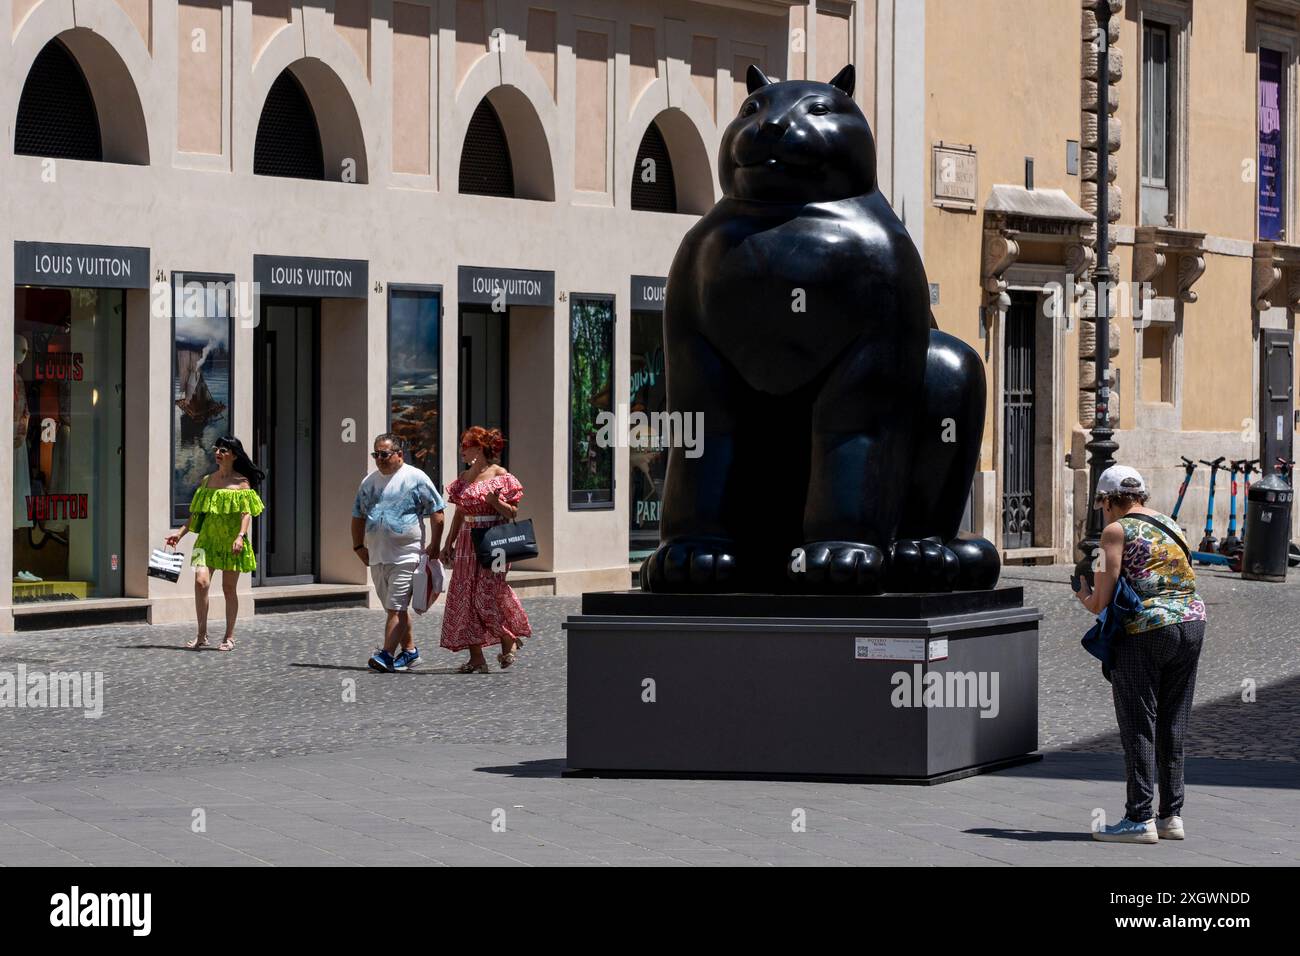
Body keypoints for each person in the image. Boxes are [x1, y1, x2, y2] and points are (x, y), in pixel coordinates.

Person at [1074, 464, 1207, 844]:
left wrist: (1081, 592)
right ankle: (1171, 816)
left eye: (1101, 502)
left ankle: (1138, 818)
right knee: (1173, 720)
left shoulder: (1113, 532)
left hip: (1147, 631)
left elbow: (1101, 602)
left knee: (1138, 723)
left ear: (1107, 501)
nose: (1102, 510)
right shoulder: (1170, 523)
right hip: (1192, 622)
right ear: (1141, 496)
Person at [439, 427, 531, 672]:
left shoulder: (500, 474)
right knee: (465, 597)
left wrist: (495, 502)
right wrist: (448, 543)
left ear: (479, 448)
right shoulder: (464, 477)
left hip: (493, 542)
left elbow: (512, 513)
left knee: (488, 595)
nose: (462, 450)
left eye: (465, 445)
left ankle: (507, 637)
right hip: (468, 544)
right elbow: (460, 512)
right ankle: (477, 658)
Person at [352, 434, 445, 673]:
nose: (379, 459)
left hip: (407, 554)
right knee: (395, 608)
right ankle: (411, 653)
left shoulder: (415, 478)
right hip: (377, 555)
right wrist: (358, 547)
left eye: (384, 454)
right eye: (376, 455)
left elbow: (437, 511)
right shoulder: (369, 482)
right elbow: (358, 516)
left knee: (395, 607)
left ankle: (385, 655)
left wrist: (435, 545)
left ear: (399, 454)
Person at [166, 436, 265, 652]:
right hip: (206, 541)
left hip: (231, 542)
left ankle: (229, 636)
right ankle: (201, 635)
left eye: (223, 449)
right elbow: (196, 514)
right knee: (201, 583)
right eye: (216, 449)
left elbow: (246, 514)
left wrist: (241, 536)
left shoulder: (242, 483)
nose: (218, 452)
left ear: (234, 455)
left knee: (229, 588)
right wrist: (180, 533)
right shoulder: (207, 481)